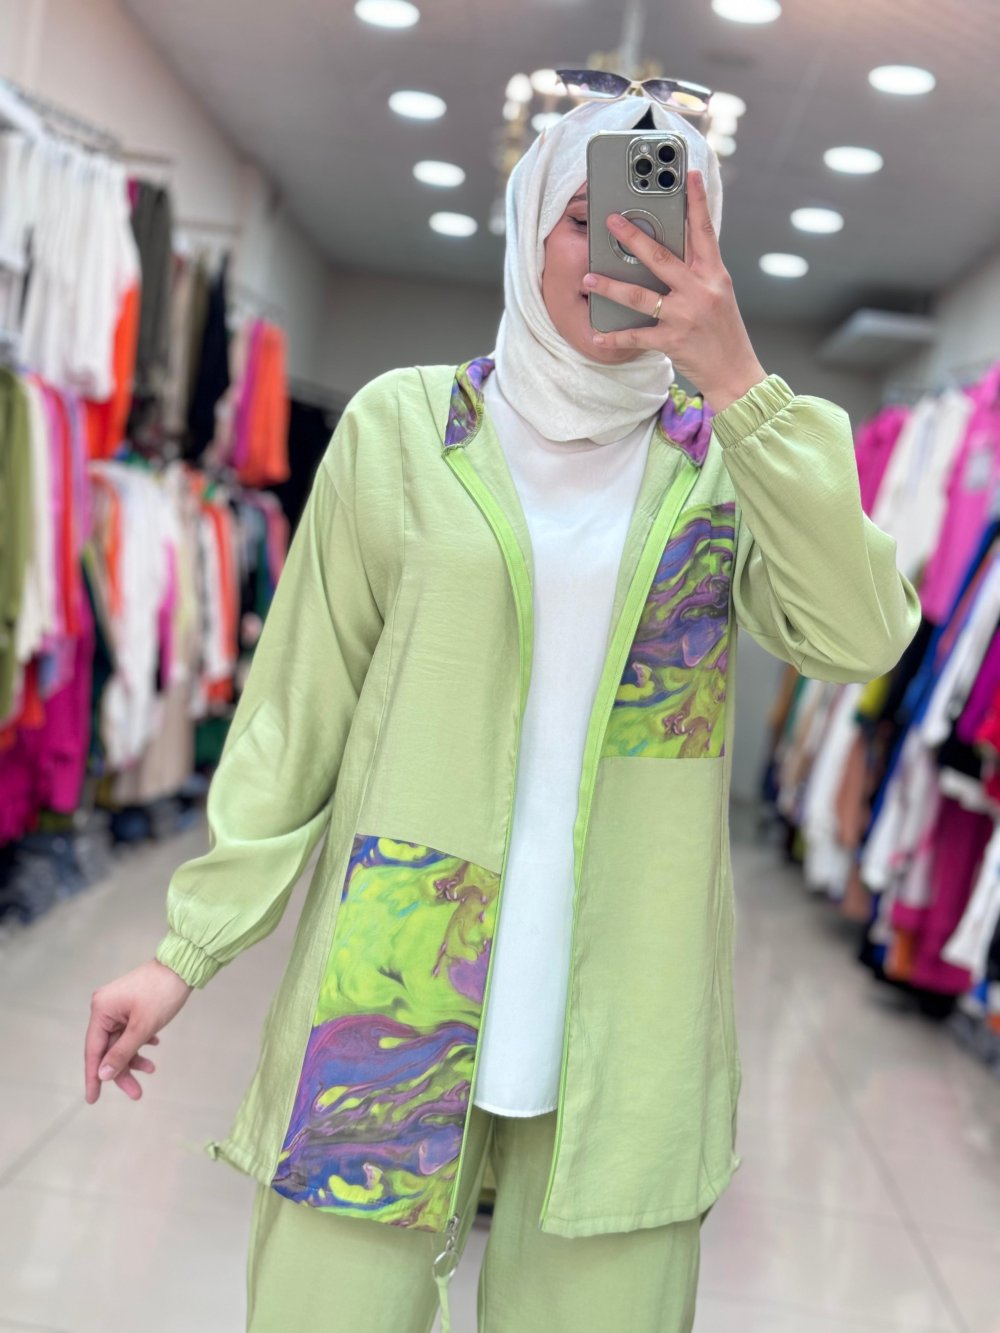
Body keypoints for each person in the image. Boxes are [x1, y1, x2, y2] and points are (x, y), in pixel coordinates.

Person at [84, 93, 921, 1333]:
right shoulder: (403, 428)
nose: (620, 252)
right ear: (529, 225)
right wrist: (183, 951)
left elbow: (862, 635)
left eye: (663, 227)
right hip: (389, 980)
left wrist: (740, 381)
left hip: (630, 1009)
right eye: (587, 218)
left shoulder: (723, 463)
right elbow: (298, 713)